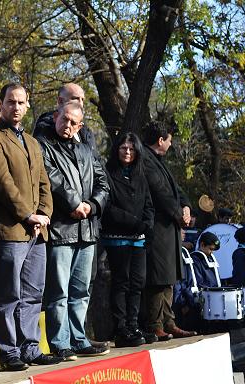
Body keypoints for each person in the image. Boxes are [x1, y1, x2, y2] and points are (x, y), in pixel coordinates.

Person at [0, 83, 59, 371]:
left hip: (38, 230)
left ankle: (30, 347)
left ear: (27, 106)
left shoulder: (33, 142)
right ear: (1, 104)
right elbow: (3, 183)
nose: (16, 107)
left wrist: (45, 213)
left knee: (33, 293)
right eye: (10, 102)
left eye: (21, 102)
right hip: (11, 229)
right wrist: (28, 215)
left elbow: (44, 183)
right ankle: (9, 349)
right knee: (8, 293)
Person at [36, 101, 110, 361]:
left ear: (80, 126)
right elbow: (51, 177)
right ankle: (60, 342)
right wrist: (74, 204)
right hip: (61, 229)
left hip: (87, 230)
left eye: (73, 122)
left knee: (81, 290)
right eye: (63, 119)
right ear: (56, 116)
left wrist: (91, 205)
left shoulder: (86, 150)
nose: (67, 125)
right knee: (59, 291)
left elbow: (103, 182)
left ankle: (79, 339)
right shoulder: (44, 146)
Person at [142, 120, 196, 340]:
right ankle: (155, 324)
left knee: (170, 276)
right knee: (158, 277)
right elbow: (160, 193)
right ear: (161, 140)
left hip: (170, 229)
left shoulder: (160, 161)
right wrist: (178, 215)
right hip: (157, 228)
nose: (171, 145)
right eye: (170, 140)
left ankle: (169, 321)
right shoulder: (146, 159)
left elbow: (177, 191)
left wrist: (186, 207)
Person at [100, 132, 155, 347]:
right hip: (117, 238)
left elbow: (149, 205)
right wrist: (135, 223)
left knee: (137, 283)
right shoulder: (107, 173)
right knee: (121, 282)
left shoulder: (140, 175)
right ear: (117, 150)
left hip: (138, 239)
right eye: (124, 148)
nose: (128, 152)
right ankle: (121, 327)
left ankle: (133, 324)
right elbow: (109, 208)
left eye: (132, 149)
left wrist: (147, 225)